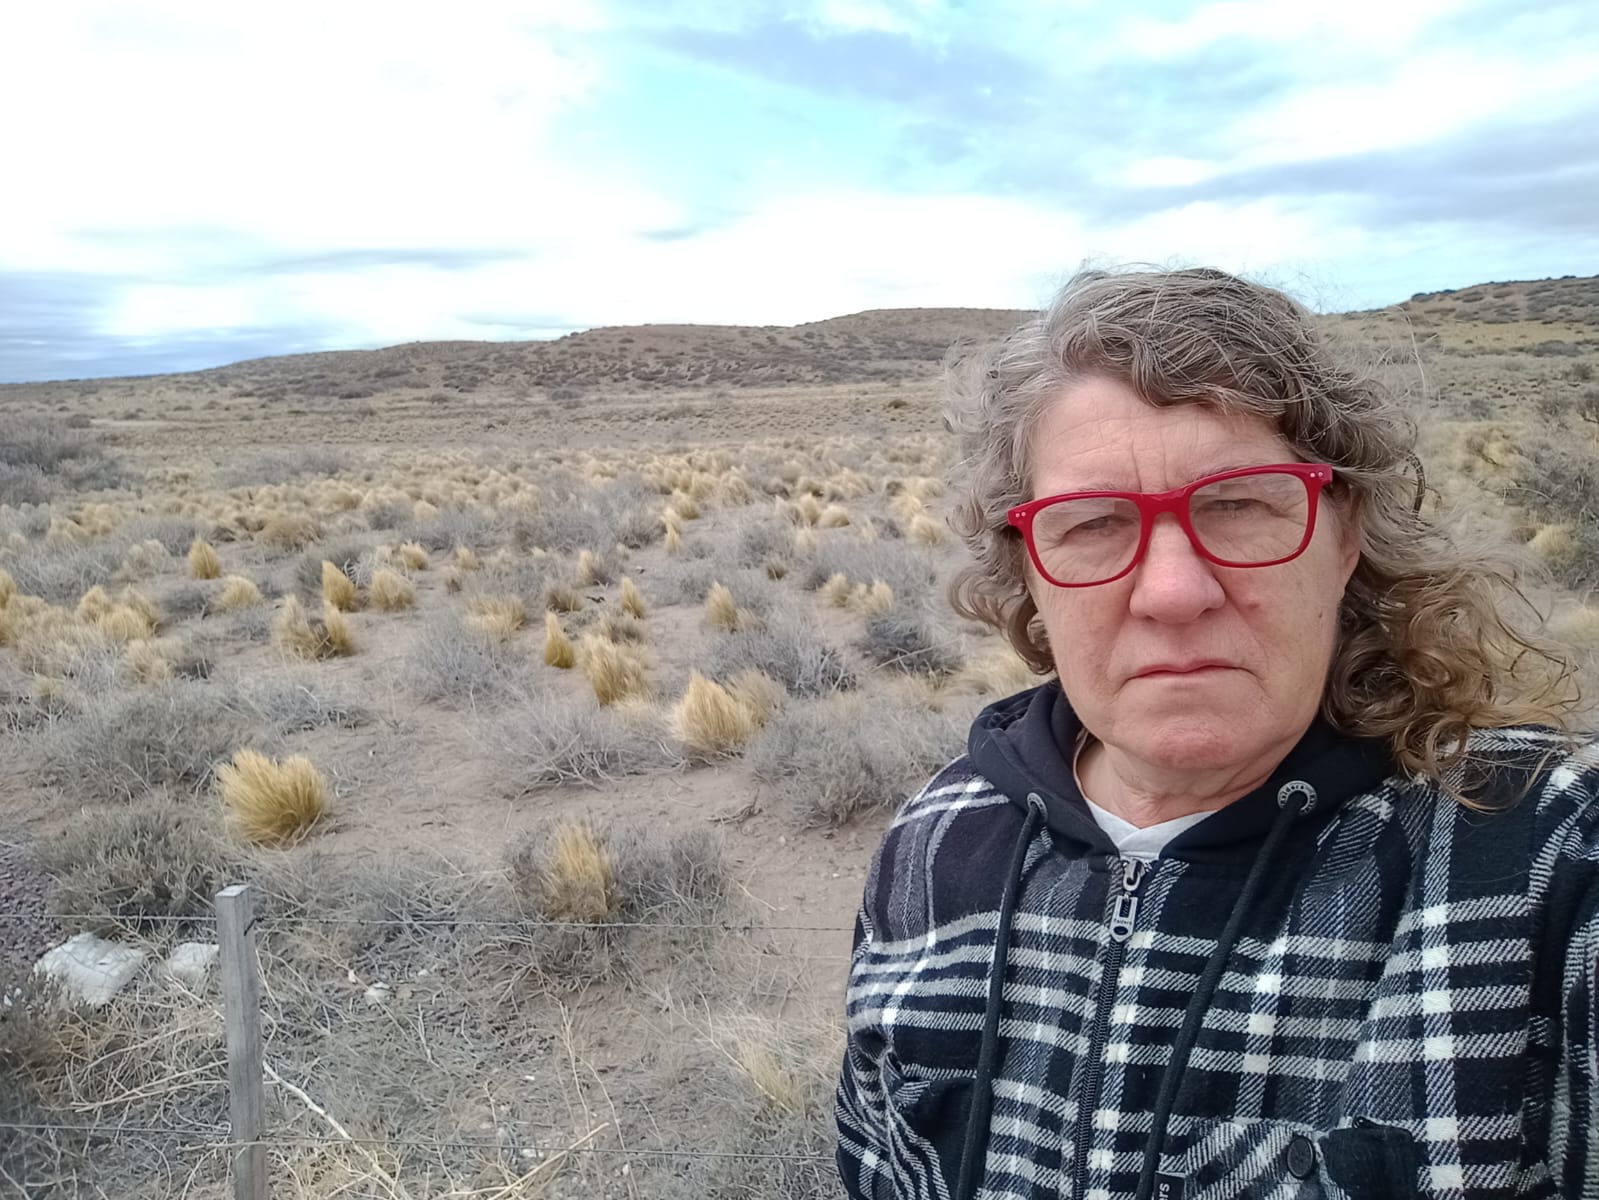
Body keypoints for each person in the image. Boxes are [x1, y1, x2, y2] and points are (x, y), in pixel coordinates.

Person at [835, 266, 1597, 1200]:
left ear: (1344, 536)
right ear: (1026, 568)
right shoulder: (932, 842)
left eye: (1236, 505)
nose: (1171, 591)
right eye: (1092, 523)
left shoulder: (1546, 858)